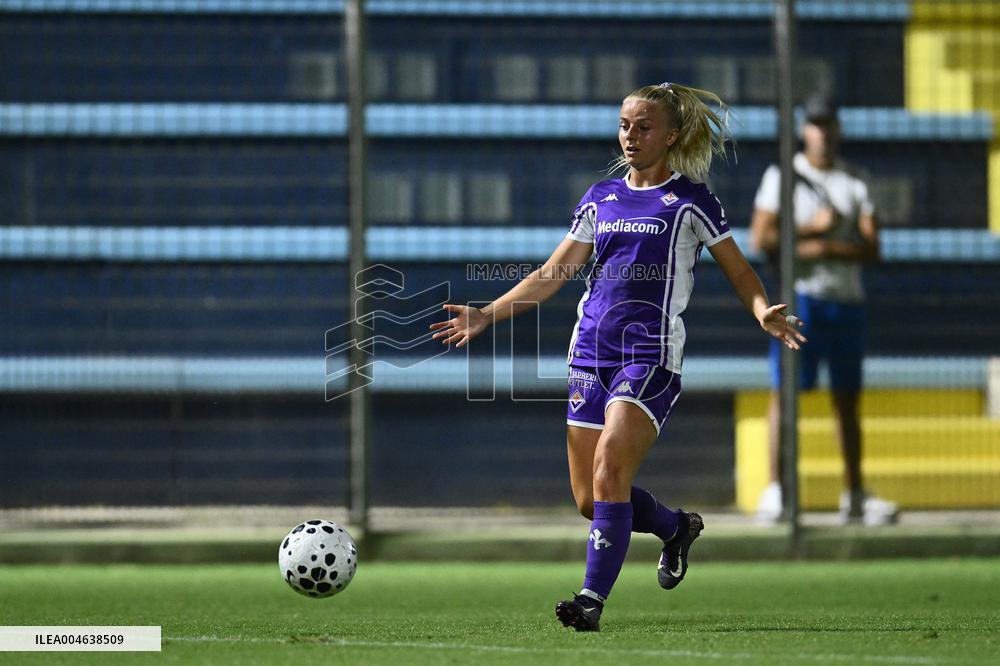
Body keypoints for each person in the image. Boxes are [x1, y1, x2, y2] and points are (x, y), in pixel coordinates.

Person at [431, 82, 805, 632]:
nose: (630, 135)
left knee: (610, 467)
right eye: (625, 125)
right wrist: (488, 314)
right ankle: (676, 527)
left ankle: (590, 600)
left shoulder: (691, 201)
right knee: (591, 498)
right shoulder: (600, 197)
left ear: (671, 135)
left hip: (649, 357)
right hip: (589, 354)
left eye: (643, 126)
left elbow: (739, 268)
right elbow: (553, 273)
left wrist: (758, 309)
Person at [749, 94, 897, 526]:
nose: (823, 133)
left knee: (847, 401)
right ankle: (777, 490)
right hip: (802, 301)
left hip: (846, 302)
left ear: (838, 130)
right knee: (785, 396)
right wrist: (815, 230)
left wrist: (820, 247)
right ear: (805, 131)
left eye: (829, 124)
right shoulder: (783, 176)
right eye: (815, 124)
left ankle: (853, 493)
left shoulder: (856, 180)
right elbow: (762, 238)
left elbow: (870, 248)